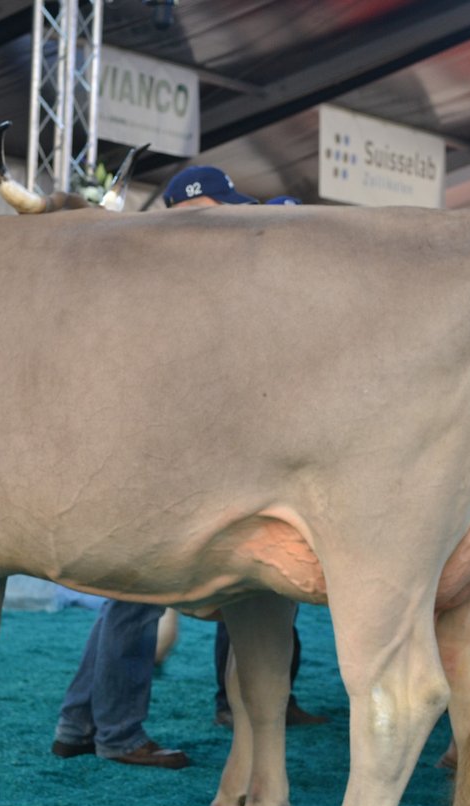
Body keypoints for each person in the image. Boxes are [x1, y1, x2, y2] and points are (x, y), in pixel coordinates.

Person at [163, 166, 326, 729]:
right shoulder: (179, 282)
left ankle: (259, 701)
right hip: (176, 460)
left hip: (234, 451)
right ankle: (102, 723)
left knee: (255, 590)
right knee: (135, 605)